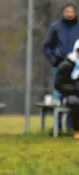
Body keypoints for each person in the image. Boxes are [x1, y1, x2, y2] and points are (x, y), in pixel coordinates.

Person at [43, 3, 79, 131]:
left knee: (75, 96)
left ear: (75, 13)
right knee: (58, 95)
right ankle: (57, 127)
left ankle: (71, 127)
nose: (69, 14)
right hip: (60, 66)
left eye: (71, 11)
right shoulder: (56, 27)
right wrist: (54, 60)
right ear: (63, 12)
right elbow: (47, 46)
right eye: (67, 11)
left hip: (76, 68)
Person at [55, 39, 79, 139]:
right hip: (70, 95)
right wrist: (74, 90)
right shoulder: (67, 65)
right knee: (76, 102)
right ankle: (76, 130)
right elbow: (59, 84)